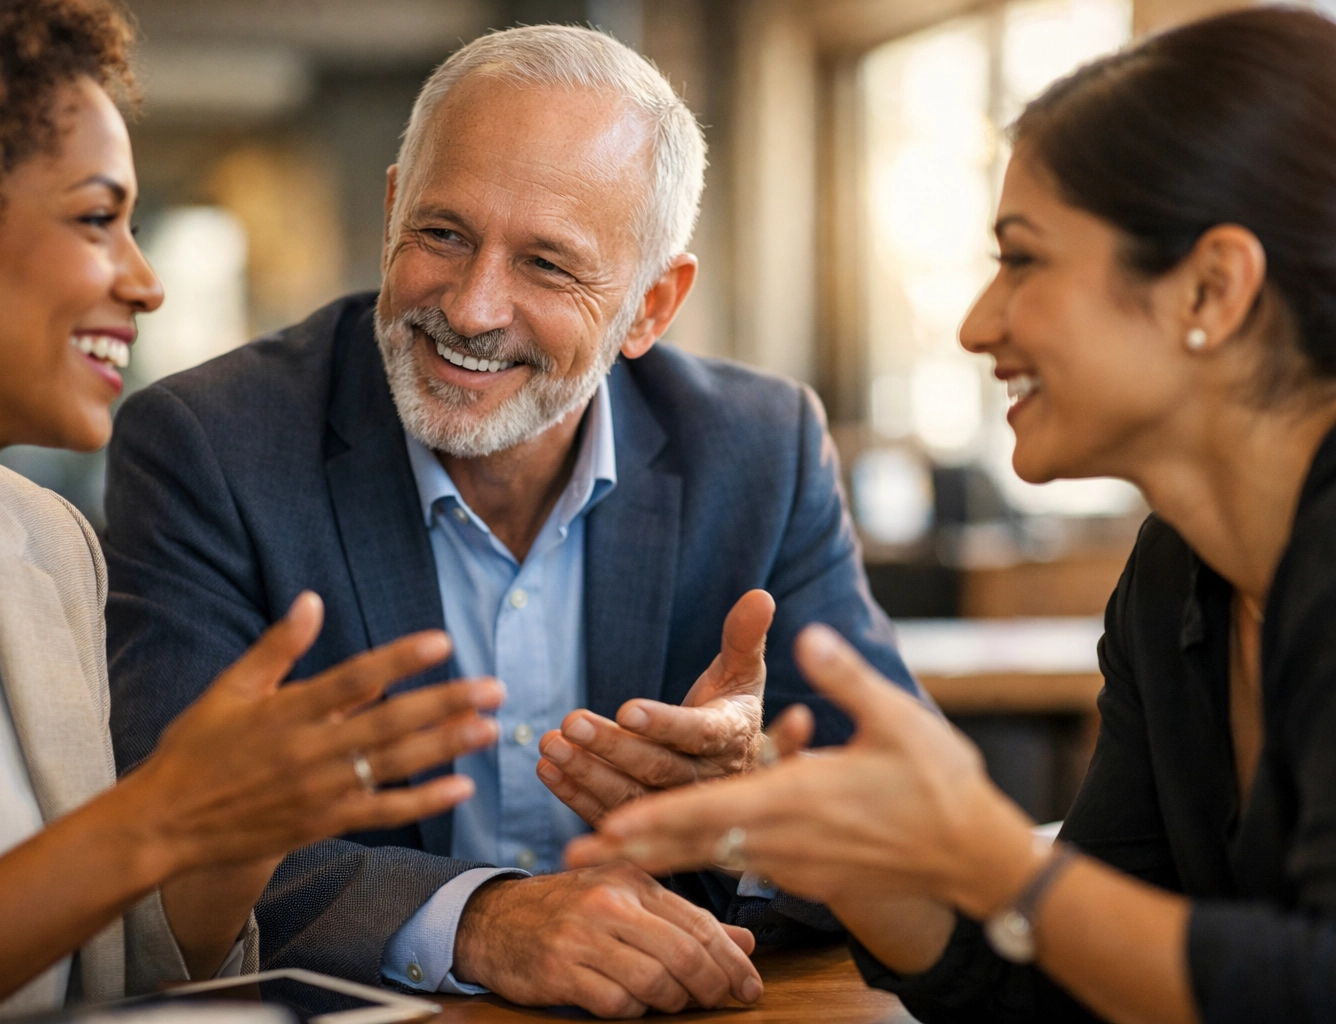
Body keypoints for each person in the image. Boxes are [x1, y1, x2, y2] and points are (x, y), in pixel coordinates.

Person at [102, 22, 922, 1020]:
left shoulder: (760, 448)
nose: (475, 306)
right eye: (444, 233)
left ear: (653, 305)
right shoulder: (210, 444)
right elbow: (160, 847)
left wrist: (749, 815)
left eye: (546, 263)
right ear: (395, 205)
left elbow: (914, 814)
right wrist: (479, 919)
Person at [564, 7, 1336, 1024]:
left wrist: (991, 861)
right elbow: (1059, 979)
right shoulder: (1171, 581)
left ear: (1211, 286)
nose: (978, 324)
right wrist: (836, 837)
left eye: (1023, 260)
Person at [0, 2, 505, 1021]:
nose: (146, 283)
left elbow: (128, 979)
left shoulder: (45, 549)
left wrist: (233, 834)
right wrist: (152, 824)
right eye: (97, 219)